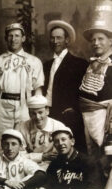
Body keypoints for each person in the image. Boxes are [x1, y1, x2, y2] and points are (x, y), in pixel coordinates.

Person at [0, 23, 44, 152]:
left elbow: (38, 89)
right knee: (2, 145)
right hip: (3, 107)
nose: (13, 39)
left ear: (23, 38)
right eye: (10, 36)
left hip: (25, 107)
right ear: (6, 38)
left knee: (23, 144)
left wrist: (36, 112)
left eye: (17, 35)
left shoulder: (34, 61)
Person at [43, 20, 88, 152]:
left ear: (67, 40)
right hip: (49, 114)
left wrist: (73, 109)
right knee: (50, 151)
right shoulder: (46, 65)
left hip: (69, 116)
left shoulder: (79, 64)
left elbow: (84, 92)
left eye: (59, 38)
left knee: (72, 150)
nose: (55, 41)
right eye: (52, 38)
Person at [79, 1, 112, 156]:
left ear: (111, 41)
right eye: (93, 40)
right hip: (89, 120)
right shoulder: (91, 65)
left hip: (107, 121)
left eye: (100, 39)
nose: (96, 43)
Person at [18, 95, 66, 170]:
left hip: (54, 166)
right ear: (29, 113)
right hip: (28, 165)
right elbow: (19, 155)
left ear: (47, 111)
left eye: (40, 112)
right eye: (33, 113)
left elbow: (65, 152)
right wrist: (41, 156)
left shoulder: (59, 127)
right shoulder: (22, 128)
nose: (37, 117)